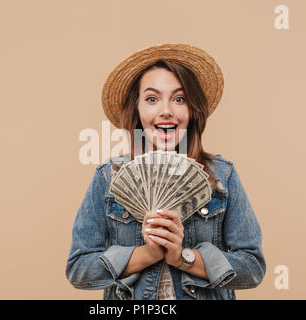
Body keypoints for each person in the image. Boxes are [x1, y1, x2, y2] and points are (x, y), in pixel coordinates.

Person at [66, 43, 266, 300]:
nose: (166, 111)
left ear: (192, 111)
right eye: (152, 99)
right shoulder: (108, 177)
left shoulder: (222, 176)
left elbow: (253, 268)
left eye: (179, 99)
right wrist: (146, 254)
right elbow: (79, 270)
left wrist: (184, 257)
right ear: (136, 109)